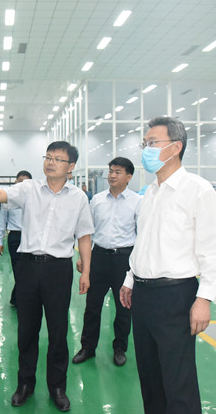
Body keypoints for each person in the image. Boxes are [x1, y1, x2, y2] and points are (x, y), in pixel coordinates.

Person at [0, 141, 94, 412]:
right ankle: (25, 384)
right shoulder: (29, 189)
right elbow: (1, 194)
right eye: (48, 157)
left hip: (59, 270)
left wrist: (86, 271)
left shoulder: (78, 198)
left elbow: (84, 236)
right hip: (28, 267)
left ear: (71, 166)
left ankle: (57, 387)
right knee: (27, 331)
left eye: (58, 159)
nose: (50, 162)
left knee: (58, 332)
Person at [119, 116, 216, 413]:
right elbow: (143, 242)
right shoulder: (150, 192)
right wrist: (130, 278)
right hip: (143, 295)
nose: (146, 149)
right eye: (145, 143)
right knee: (150, 375)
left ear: (176, 147)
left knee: (177, 378)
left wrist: (204, 299)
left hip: (175, 296)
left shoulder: (198, 190)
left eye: (153, 143)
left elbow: (213, 251)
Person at [72, 157, 141, 367]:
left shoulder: (138, 201)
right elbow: (87, 231)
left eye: (118, 172)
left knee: (124, 306)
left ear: (129, 177)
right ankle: (87, 348)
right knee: (92, 305)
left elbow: (141, 235)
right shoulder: (97, 200)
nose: (112, 175)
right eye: (111, 171)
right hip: (99, 257)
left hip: (124, 259)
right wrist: (83, 257)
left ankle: (120, 348)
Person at [0, 170, 32, 306]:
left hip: (31, 238)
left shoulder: (34, 199)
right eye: (20, 181)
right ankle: (20, 300)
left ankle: (16, 298)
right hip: (15, 238)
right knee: (18, 270)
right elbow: (2, 220)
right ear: (16, 182)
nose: (22, 184)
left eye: (26, 182)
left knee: (29, 271)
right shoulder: (9, 199)